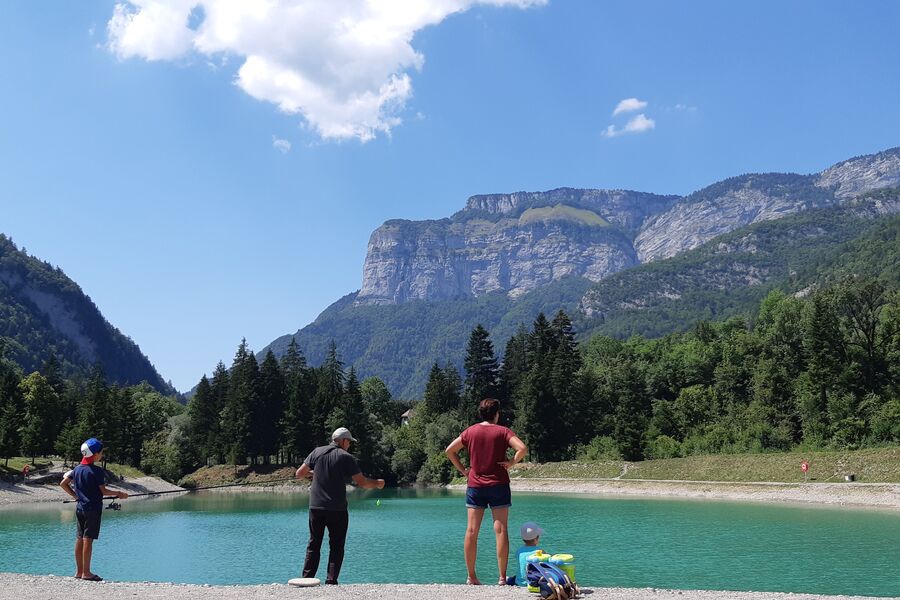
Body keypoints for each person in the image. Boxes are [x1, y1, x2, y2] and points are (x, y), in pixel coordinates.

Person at [445, 399, 528, 586]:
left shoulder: (470, 432)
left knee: (472, 530)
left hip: (475, 485)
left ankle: (471, 577)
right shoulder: (503, 431)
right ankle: (501, 578)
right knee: (500, 529)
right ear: (496, 414)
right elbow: (522, 448)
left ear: (481, 414)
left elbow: (450, 451)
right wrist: (511, 463)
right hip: (499, 485)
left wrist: (464, 471)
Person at [295, 427, 385, 585]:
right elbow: (362, 482)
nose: (349, 445)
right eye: (349, 441)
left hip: (315, 507)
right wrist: (377, 483)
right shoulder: (346, 457)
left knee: (314, 543)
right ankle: (331, 581)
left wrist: (314, 474)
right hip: (337, 509)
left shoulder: (317, 452)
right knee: (336, 545)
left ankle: (307, 580)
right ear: (343, 441)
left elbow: (299, 474)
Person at [59, 437, 128, 582]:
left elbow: (63, 483)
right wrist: (119, 494)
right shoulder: (97, 471)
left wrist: (76, 496)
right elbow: (103, 491)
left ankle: (78, 572)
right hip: (93, 509)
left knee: (79, 538)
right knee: (88, 539)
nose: (101, 455)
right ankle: (87, 573)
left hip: (80, 509)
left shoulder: (76, 469)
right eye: (101, 452)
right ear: (95, 454)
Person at [507, 521, 544, 586]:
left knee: (510, 578)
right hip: (533, 582)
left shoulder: (519, 551)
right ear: (537, 538)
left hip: (519, 582)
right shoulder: (540, 551)